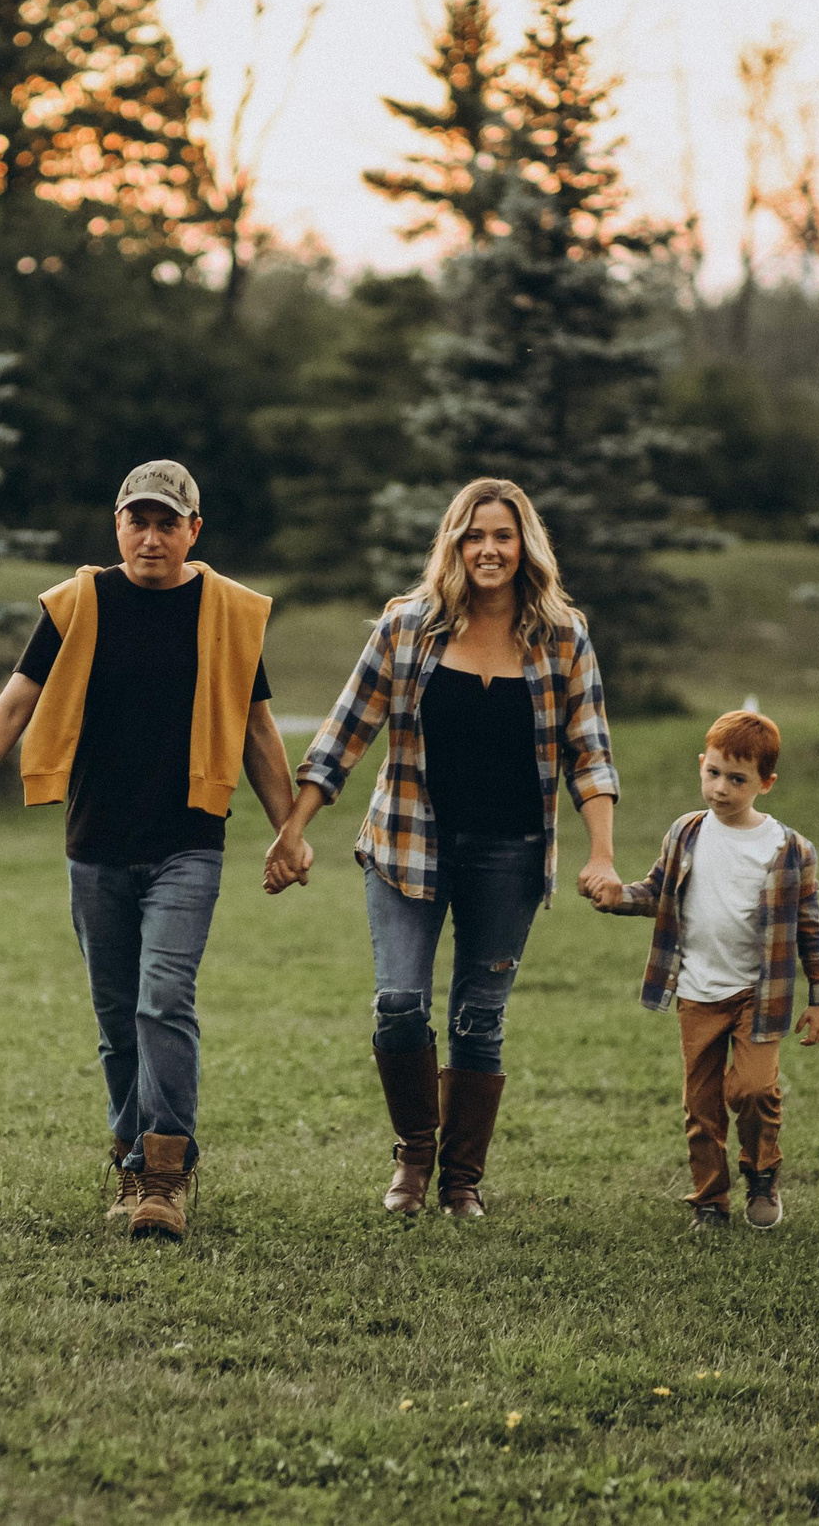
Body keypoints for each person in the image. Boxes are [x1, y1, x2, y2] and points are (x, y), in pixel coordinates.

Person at [0, 461, 294, 1243]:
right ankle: (126, 1151)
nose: (151, 537)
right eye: (136, 521)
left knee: (162, 998)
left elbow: (256, 729)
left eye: (167, 522)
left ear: (194, 531)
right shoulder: (78, 605)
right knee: (118, 1020)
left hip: (189, 842)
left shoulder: (227, 613)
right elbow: (13, 705)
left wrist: (292, 828)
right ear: (117, 526)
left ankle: (163, 1173)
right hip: (96, 846)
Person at [268, 478, 621, 1218]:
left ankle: (462, 1179)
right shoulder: (408, 627)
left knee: (477, 1020)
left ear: (525, 545)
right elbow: (344, 732)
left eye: (502, 535)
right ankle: (415, 1154)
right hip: (407, 842)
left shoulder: (562, 636)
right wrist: (293, 825)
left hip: (511, 853)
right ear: (454, 545)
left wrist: (602, 852)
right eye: (473, 535)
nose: (488, 549)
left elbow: (589, 752)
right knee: (399, 1003)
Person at [587, 709, 819, 1233]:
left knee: (750, 1090)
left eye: (737, 779)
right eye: (713, 773)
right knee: (701, 1106)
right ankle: (709, 1202)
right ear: (702, 765)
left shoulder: (789, 850)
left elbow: (809, 928)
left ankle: (762, 1171)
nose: (720, 788)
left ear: (765, 783)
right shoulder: (686, 832)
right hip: (697, 993)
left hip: (758, 997)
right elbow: (657, 892)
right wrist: (617, 896)